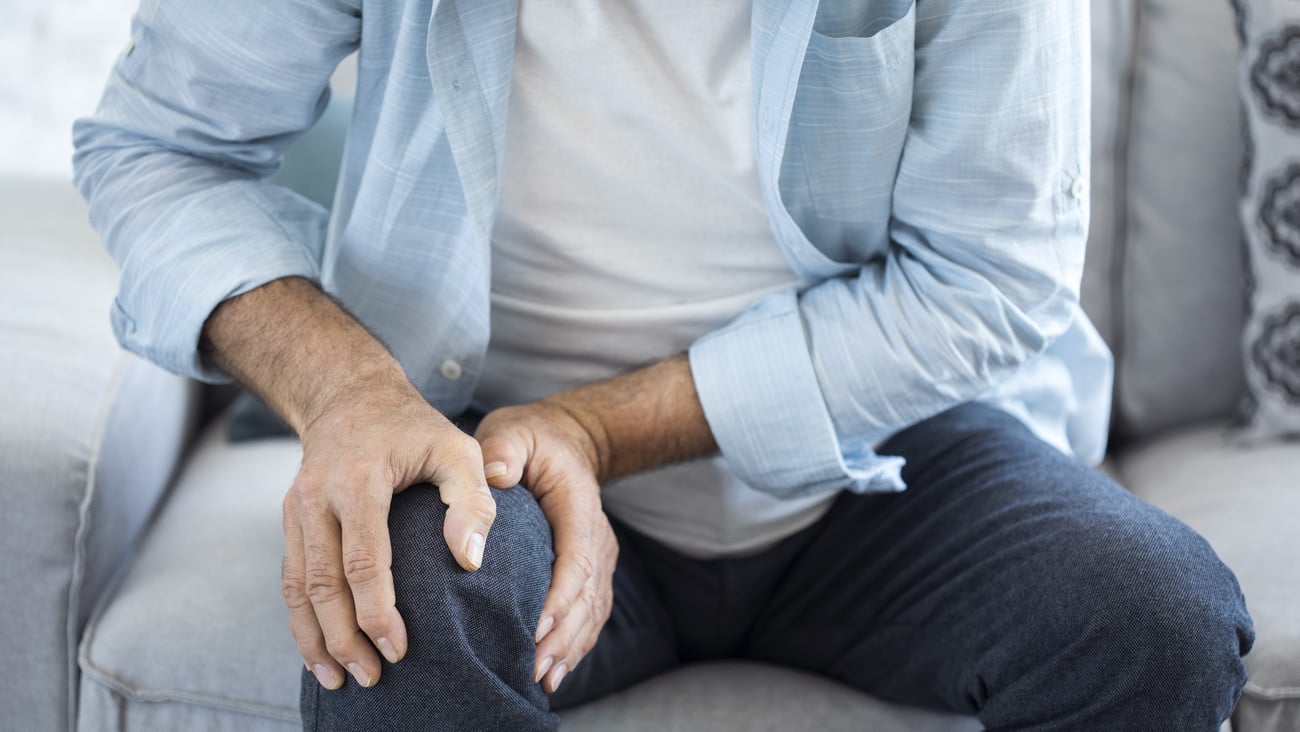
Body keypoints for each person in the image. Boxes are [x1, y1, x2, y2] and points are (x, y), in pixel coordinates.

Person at [74, 1, 1254, 729]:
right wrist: (349, 391)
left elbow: (988, 278)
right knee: (403, 614)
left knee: (1150, 616)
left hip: (887, 453)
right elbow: (162, 149)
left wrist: (596, 430)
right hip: (480, 439)